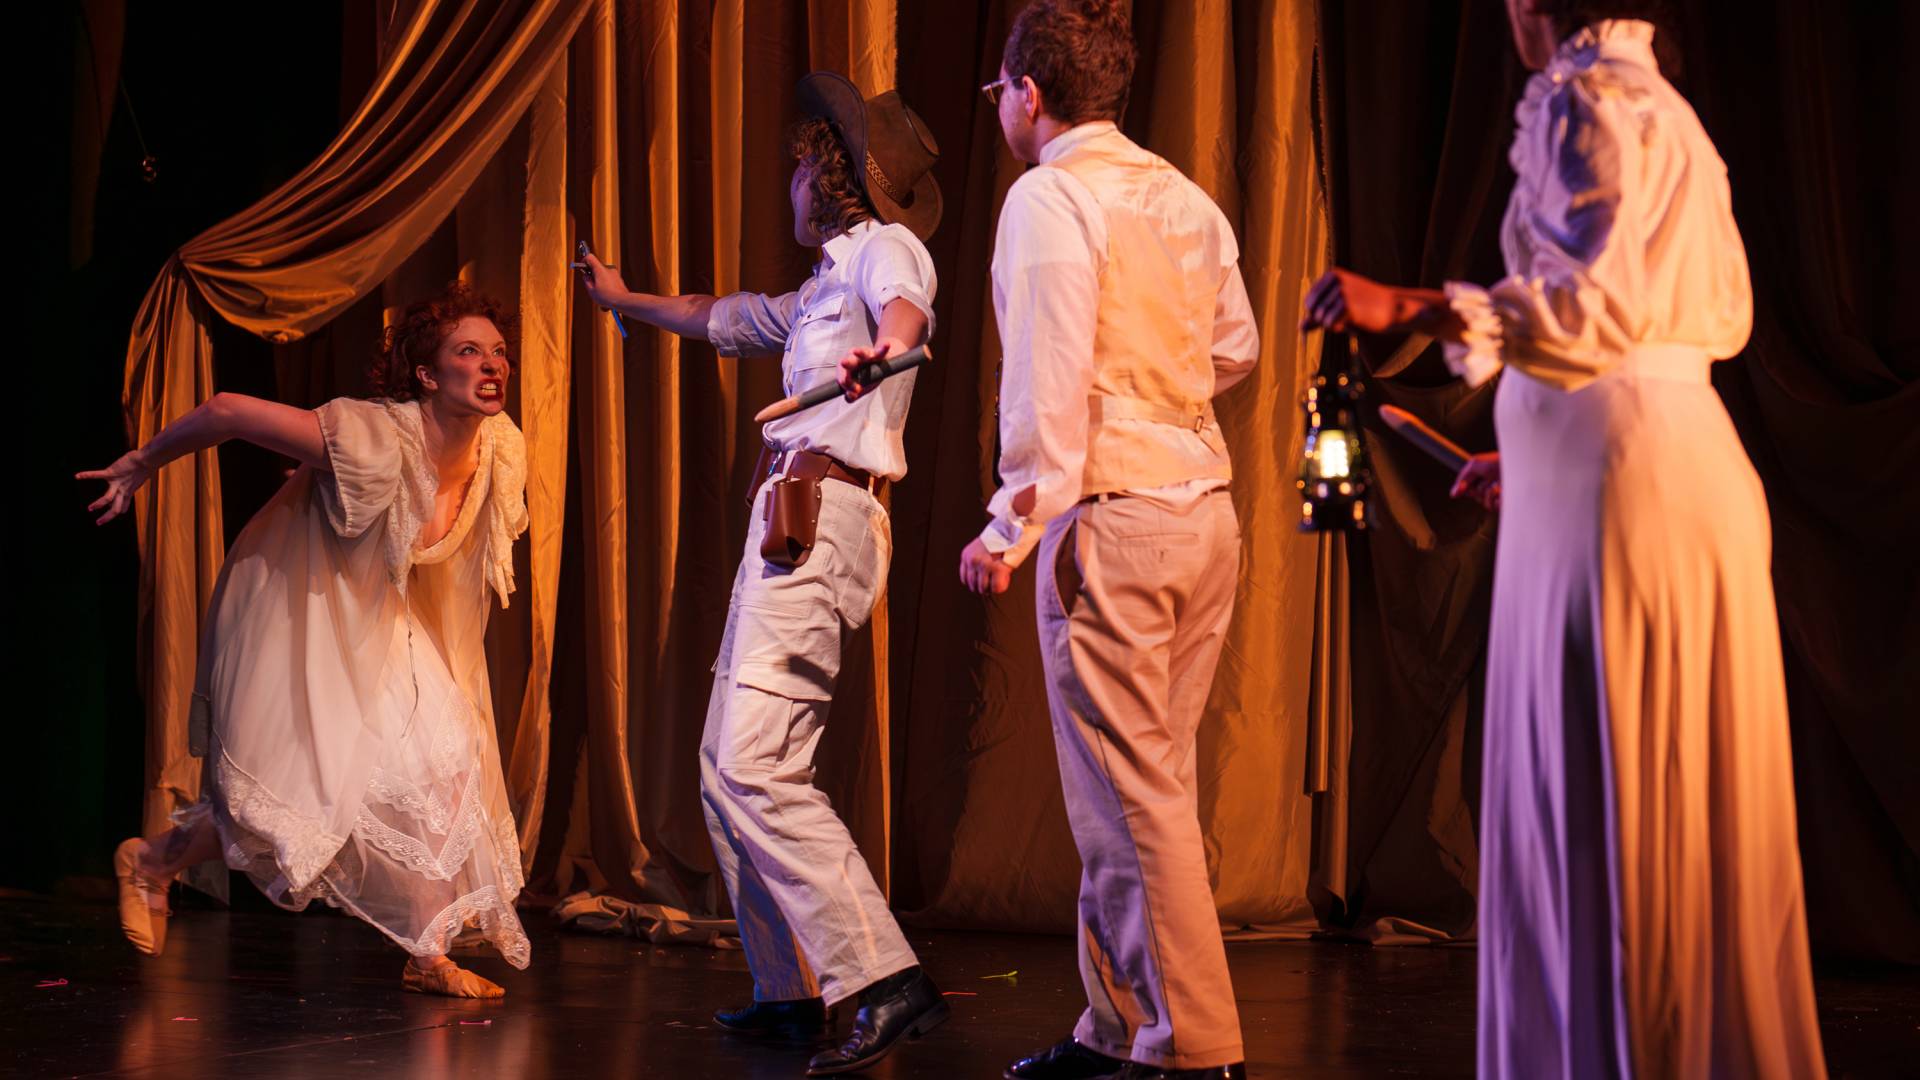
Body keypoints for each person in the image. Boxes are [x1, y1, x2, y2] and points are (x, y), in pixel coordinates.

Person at [1300, 5, 1828, 1077]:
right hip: (1649, 469)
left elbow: (1588, 306)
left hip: (1624, 490)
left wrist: (1406, 305)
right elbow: (1674, 318)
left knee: (1610, 800)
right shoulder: (1665, 108)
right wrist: (1534, 452)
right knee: (1661, 798)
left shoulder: (1585, 97)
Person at [577, 72, 947, 1077]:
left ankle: (885, 978)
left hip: (823, 515)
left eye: (796, 165)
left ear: (828, 174)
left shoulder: (882, 249)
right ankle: (790, 987)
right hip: (787, 521)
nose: (788, 180)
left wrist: (882, 355)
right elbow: (720, 315)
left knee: (757, 767)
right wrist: (623, 300)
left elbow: (907, 316)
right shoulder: (821, 286)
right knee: (722, 762)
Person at [954, 2, 1258, 1076]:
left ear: (1028, 93)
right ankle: (1120, 1025)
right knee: (1138, 784)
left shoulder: (1050, 196)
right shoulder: (1182, 195)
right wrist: (1156, 391)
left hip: (1120, 514)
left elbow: (1045, 368)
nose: (1001, 106)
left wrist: (1013, 522)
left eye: (1000, 90)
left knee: (1130, 795)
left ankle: (1194, 1048)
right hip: (1202, 510)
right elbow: (1235, 346)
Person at [85, 283, 533, 998]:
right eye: (469, 351)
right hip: (295, 608)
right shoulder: (368, 435)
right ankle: (153, 861)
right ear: (426, 374)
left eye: (499, 352)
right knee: (297, 797)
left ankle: (428, 956)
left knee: (449, 765)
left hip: (378, 613)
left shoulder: (498, 446)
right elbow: (227, 411)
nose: (492, 365)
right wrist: (142, 461)